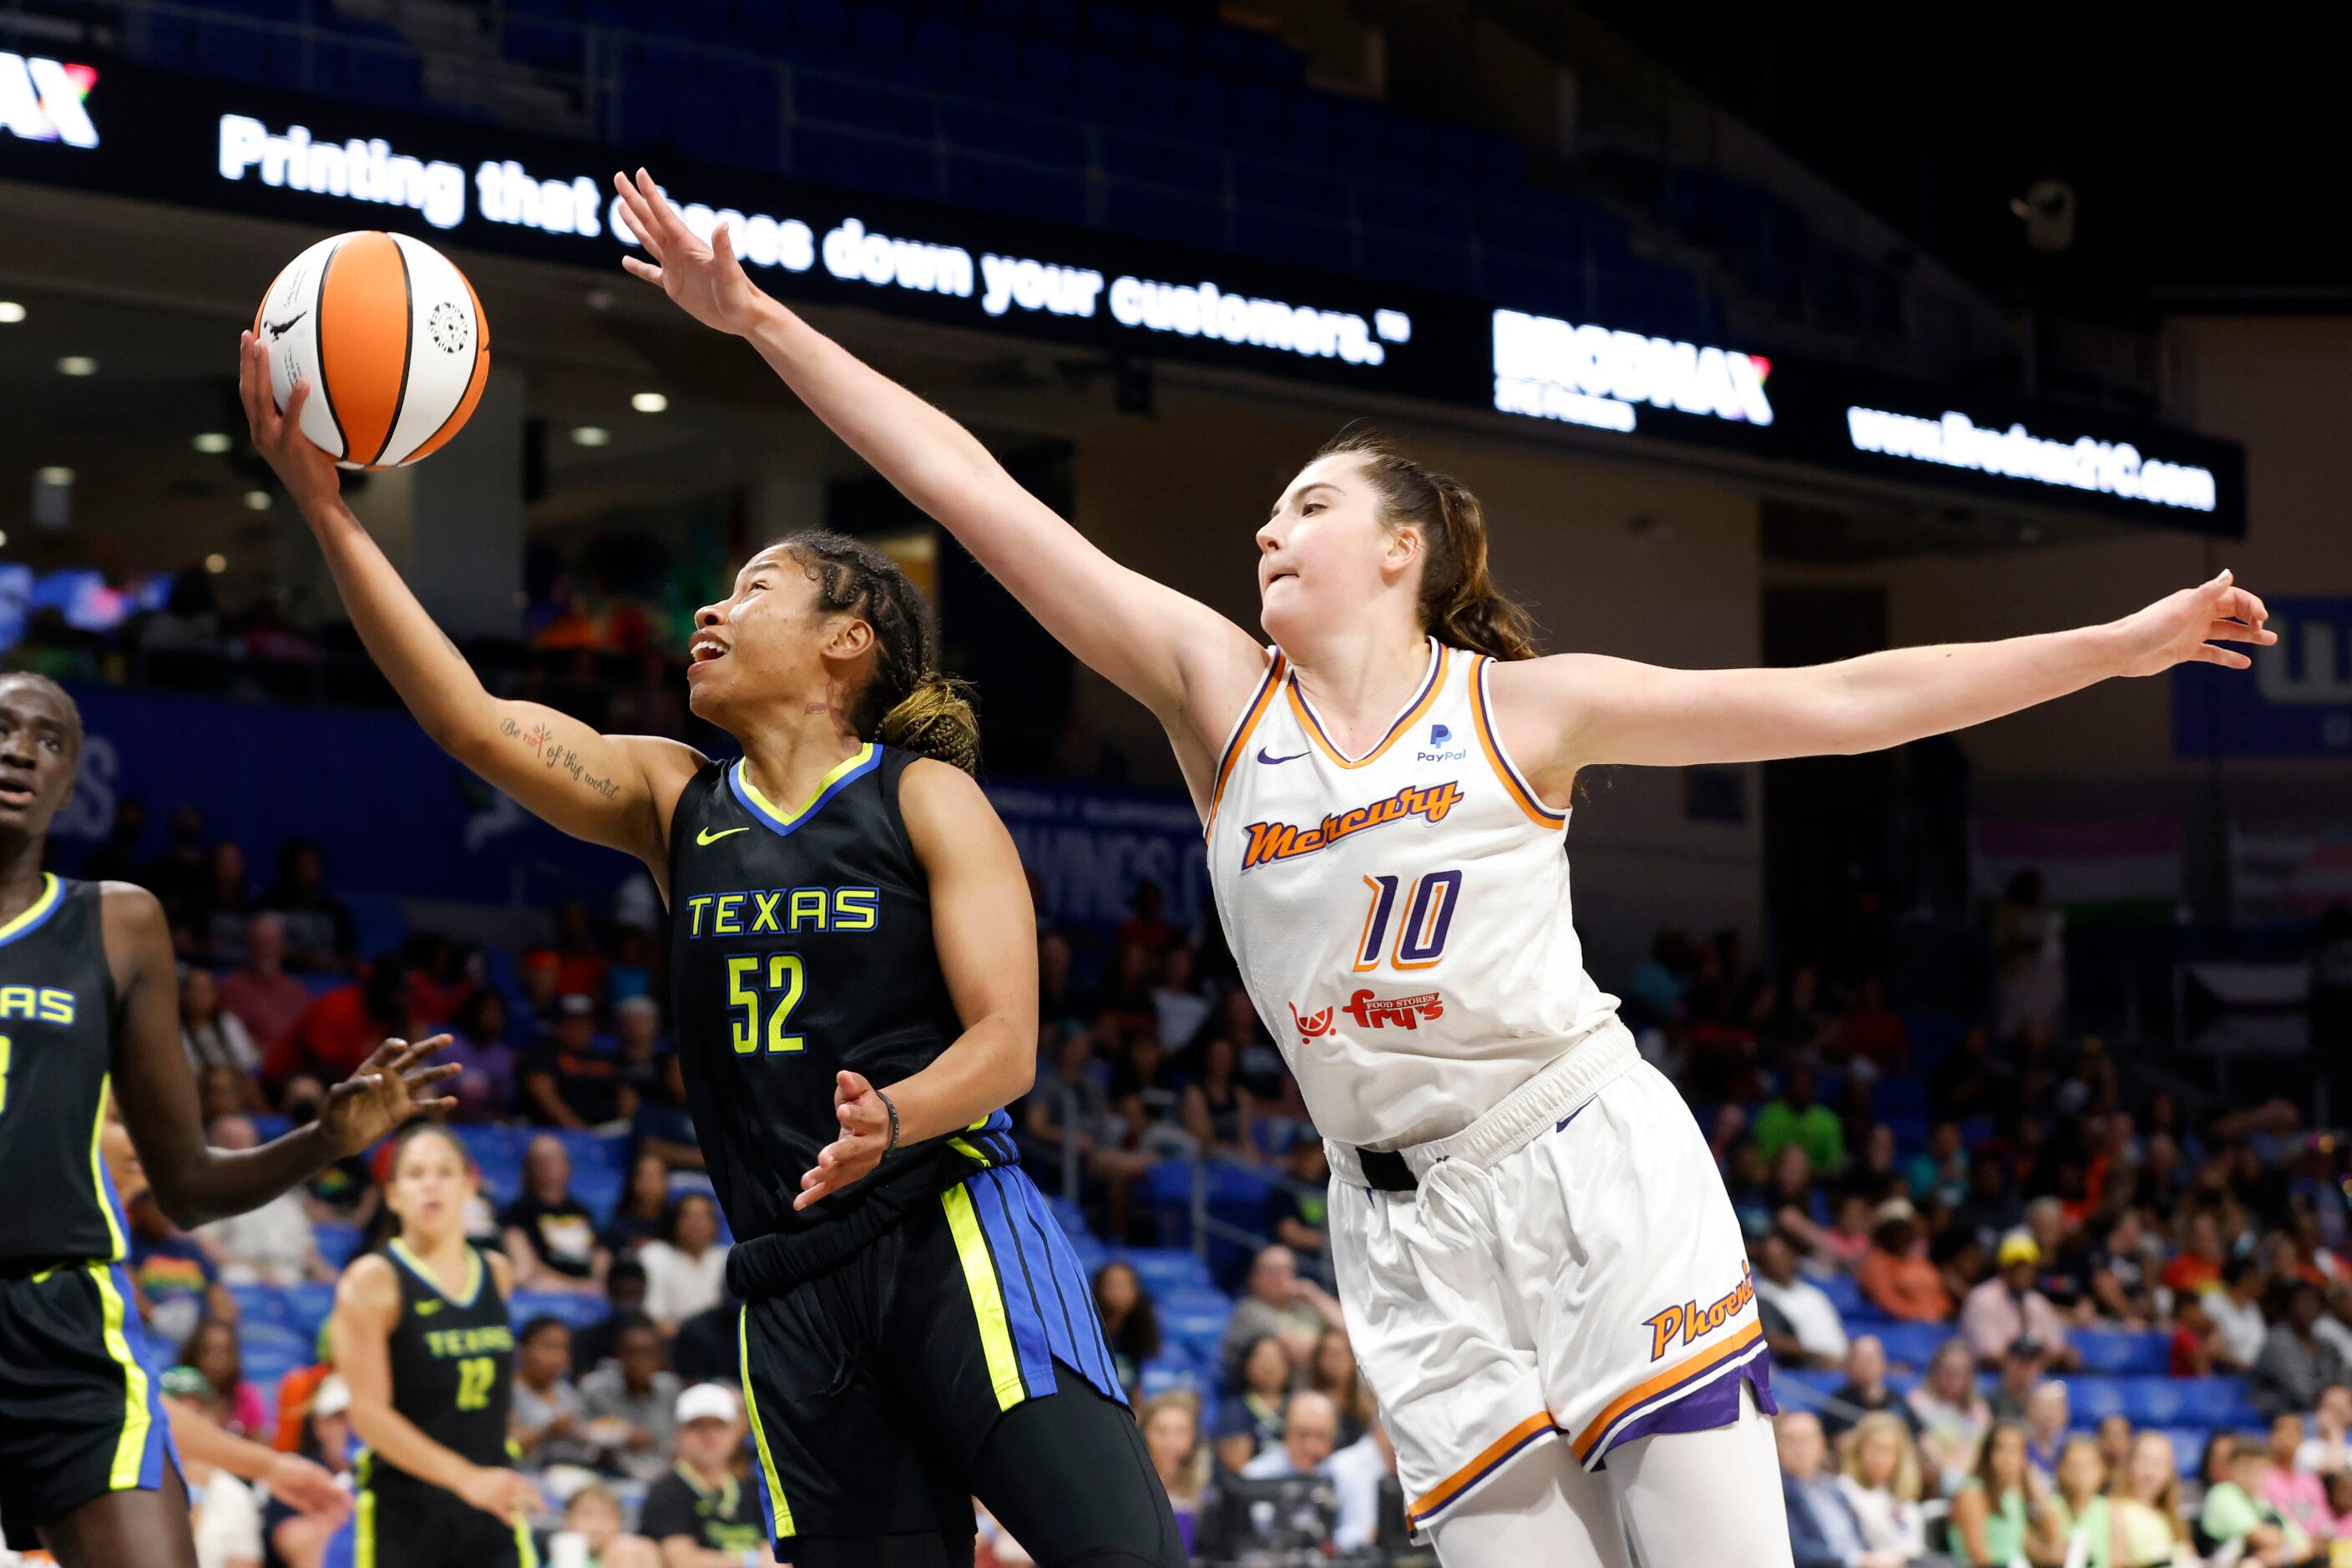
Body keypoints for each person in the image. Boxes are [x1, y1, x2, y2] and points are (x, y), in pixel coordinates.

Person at [605, 157, 2279, 1568]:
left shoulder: (1525, 712)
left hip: (1580, 1168)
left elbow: (1845, 702)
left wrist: (2109, 648)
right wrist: (753, 316)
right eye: (1267, 514)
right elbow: (966, 491)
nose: (1268, 529)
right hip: (1396, 1236)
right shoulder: (1215, 701)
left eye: (1306, 508)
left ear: (1397, 549)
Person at [245, 326, 1185, 1568]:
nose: (710, 603)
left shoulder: (921, 796)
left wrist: (894, 1116)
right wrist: (326, 504)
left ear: (847, 640)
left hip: (948, 1230)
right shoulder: (673, 800)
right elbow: (467, 721)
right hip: (788, 1282)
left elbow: (1007, 1044)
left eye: (752, 587)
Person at [0, 672, 457, 1568]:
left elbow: (189, 1185)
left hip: (62, 1323)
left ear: (71, 778)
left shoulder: (118, 925)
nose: (20, 749)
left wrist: (326, 1141)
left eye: (48, 739)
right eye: (3, 728)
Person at [329, 1123, 541, 1567]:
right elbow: (368, 1415)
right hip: (407, 1511)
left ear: (470, 1186)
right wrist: (466, 1478)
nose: (430, 1183)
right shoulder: (373, 1281)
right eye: (415, 1173)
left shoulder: (497, 1273)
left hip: (491, 1503)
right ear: (392, 1195)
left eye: (445, 1172)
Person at [638, 1383, 779, 1567]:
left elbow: (776, 1555)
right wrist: (751, 1562)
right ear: (680, 1433)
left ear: (735, 1433)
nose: (709, 1436)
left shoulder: (756, 1488)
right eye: (697, 1426)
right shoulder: (665, 1491)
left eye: (719, 1426)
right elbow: (682, 1562)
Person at [194, 1115, 333, 1285]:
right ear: (214, 1147)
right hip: (245, 1275)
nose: (241, 1148)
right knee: (236, 1276)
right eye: (231, 1141)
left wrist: (333, 1280)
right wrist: (258, 1272)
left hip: (290, 1275)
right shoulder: (207, 1193)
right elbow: (207, 1246)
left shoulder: (281, 1191)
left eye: (246, 1141)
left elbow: (307, 1250)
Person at [159, 1365, 265, 1568]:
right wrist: (196, 1496)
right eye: (180, 1417)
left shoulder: (236, 1494)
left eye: (198, 1414)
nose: (188, 1430)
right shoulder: (133, 1484)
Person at [1778, 1411, 1899, 1568]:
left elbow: (1860, 1539)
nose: (1800, 1448)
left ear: (1821, 1443)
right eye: (1791, 1440)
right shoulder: (1781, 1494)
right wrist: (1858, 1561)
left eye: (1807, 1439)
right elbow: (1800, 1552)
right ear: (1779, 1446)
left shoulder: (1835, 1489)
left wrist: (1873, 1559)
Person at [499, 1134, 610, 1297]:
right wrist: (576, 1286)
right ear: (529, 1168)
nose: (550, 1166)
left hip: (588, 1287)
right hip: (548, 1287)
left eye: (555, 1158)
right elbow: (527, 1264)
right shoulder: (518, 1212)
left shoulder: (581, 1210)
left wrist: (597, 1279)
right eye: (541, 1160)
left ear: (568, 1165)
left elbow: (599, 1254)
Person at [1219, 1244, 1343, 1381]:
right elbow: (1298, 1351)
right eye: (1270, 1271)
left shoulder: (1307, 1308)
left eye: (1283, 1270)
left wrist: (1314, 1295)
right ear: (1254, 1277)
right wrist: (1330, 1349)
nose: (1277, 1278)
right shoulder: (1248, 1311)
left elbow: (1351, 1331)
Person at [578, 1315, 680, 1482]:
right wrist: (621, 1438)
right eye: (630, 1352)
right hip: (610, 1478)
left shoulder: (671, 1389)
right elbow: (580, 1439)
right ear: (618, 1356)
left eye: (647, 1353)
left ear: (660, 1358)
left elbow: (680, 1443)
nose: (637, 1361)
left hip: (663, 1479)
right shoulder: (595, 1389)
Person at [1964, 1232, 2077, 1369]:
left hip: (2034, 1380)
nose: (2022, 1273)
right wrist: (2032, 1363)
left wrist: (2062, 1356)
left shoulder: (2037, 1302)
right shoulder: (1982, 1299)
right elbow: (1988, 1357)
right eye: (2016, 1266)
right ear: (2003, 1267)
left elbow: (2057, 1348)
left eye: (2027, 1267)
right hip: (1993, 1381)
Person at [1834, 1413, 1930, 1565]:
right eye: (1875, 1448)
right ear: (1859, 1451)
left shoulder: (1900, 1493)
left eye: (1888, 1450)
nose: (1880, 1458)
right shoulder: (1844, 1490)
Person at [216, 912, 311, 1062]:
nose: (266, 950)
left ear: (283, 947)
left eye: (271, 943)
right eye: (260, 943)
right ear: (249, 945)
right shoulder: (232, 987)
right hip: (254, 1064)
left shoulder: (296, 989)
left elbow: (308, 1034)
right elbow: (232, 1040)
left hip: (295, 1065)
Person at [1946, 1422, 2038, 1567]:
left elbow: (2028, 1546)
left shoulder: (2013, 1496)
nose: (2009, 1458)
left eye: (2016, 1451)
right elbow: (1979, 1558)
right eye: (2002, 1450)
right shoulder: (1971, 1494)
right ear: (1987, 1455)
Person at [1754, 1231, 1849, 1368]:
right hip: (1808, 1370)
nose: (1778, 1263)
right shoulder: (1762, 1296)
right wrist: (1818, 1356)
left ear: (1792, 1257)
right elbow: (1774, 1341)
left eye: (1783, 1256)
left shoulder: (1812, 1293)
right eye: (1771, 1258)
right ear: (1762, 1264)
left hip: (1843, 1363)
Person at [509, 1315, 593, 1471]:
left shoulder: (567, 1392)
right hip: (528, 1476)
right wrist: (546, 1432)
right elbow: (506, 1447)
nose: (557, 1358)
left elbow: (588, 1436)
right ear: (522, 1350)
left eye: (563, 1348)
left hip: (576, 1472)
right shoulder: (508, 1393)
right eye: (548, 1347)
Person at [635, 1192, 727, 1334]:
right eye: (689, 1216)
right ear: (674, 1221)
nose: (697, 1224)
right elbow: (651, 1316)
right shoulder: (654, 1255)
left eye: (704, 1217)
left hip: (718, 1344)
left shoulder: (725, 1258)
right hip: (670, 1342)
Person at [2255, 1282, 2349, 1419]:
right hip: (2276, 1417)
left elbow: (2345, 1380)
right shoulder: (2278, 1342)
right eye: (2302, 1302)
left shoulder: (2326, 1345)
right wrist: (2335, 1394)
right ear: (2289, 1307)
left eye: (2313, 1302)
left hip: (2318, 1414)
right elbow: (2304, 1394)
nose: (2308, 1307)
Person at [1908, 1341, 1994, 1492]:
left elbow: (1984, 1448)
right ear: (1935, 1371)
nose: (1954, 1377)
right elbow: (1922, 1444)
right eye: (1948, 1371)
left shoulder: (1979, 1408)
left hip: (1971, 1475)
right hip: (1932, 1476)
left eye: (1961, 1371)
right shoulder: (1918, 1401)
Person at [1138, 1392, 1211, 1559]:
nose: (1170, 1441)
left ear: (1194, 1437)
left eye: (1181, 1431)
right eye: (1161, 1430)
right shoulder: (1130, 1486)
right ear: (1143, 1433)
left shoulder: (1205, 1491)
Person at [2107, 1431, 2192, 1568]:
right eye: (2144, 1460)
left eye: (2159, 1463)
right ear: (2129, 1464)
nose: (2150, 1471)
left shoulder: (2171, 1516)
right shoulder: (2115, 1509)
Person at [1214, 1335, 1297, 1473]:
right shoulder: (1235, 1410)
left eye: (1276, 1358)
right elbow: (1238, 1467)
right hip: (1253, 1490)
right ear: (1247, 1365)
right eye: (1261, 1358)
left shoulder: (1299, 1408)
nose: (1269, 1365)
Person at [175, 1318, 266, 1442]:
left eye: (224, 1351)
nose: (217, 1359)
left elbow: (261, 1447)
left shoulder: (246, 1395)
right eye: (208, 1351)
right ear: (194, 1353)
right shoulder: (178, 1396)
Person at [1820, 1336, 1919, 1444]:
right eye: (1859, 1359)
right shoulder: (1837, 1404)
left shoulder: (1897, 1400)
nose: (1865, 1365)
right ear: (1849, 1364)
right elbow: (1840, 1443)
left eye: (1871, 1359)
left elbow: (1920, 1436)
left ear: (1883, 1363)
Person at [1092, 1260, 1163, 1393]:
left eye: (1126, 1285)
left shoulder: (1144, 1330)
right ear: (1098, 1288)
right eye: (1112, 1285)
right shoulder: (1086, 1331)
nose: (1119, 1292)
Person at [556, 1484, 662, 1568]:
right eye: (587, 1515)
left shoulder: (639, 1549)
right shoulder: (563, 1556)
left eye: (606, 1516)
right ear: (567, 1521)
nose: (597, 1525)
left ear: (620, 1522)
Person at [2043, 1434, 2109, 1568]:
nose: (2080, 1473)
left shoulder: (2112, 1511)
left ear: (2102, 1470)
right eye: (2073, 1465)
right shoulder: (2047, 1508)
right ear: (2059, 1469)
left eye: (2087, 1466)